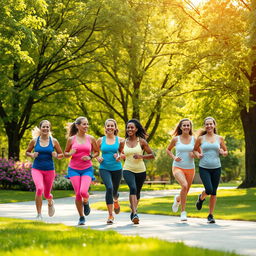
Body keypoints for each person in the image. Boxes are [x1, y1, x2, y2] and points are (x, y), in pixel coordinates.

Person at [64, 116, 99, 225]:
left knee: (84, 192)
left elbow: (97, 152)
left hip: (87, 169)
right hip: (73, 169)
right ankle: (81, 217)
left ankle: (86, 201)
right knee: (78, 194)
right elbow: (65, 153)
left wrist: (90, 157)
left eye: (87, 124)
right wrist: (70, 153)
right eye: (84, 124)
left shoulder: (91, 138)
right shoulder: (71, 139)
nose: (86, 126)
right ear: (78, 126)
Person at [26, 120, 63, 220]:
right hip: (37, 169)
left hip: (50, 170)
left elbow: (61, 154)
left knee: (47, 194)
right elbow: (27, 152)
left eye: (47, 127)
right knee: (39, 189)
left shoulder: (54, 141)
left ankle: (50, 201)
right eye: (44, 127)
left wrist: (56, 155)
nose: (45, 128)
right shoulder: (34, 141)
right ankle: (39, 214)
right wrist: (32, 154)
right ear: (40, 128)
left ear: (49, 128)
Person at [193, 117, 228, 224]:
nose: (209, 126)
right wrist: (198, 154)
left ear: (214, 125)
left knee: (214, 192)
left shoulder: (220, 138)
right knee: (208, 189)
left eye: (210, 124)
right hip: (204, 168)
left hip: (216, 168)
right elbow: (194, 150)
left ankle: (210, 215)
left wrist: (223, 152)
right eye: (207, 124)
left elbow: (226, 152)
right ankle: (201, 198)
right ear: (205, 126)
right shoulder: (201, 139)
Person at [121, 119, 155, 224]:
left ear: (136, 129)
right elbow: (120, 153)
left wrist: (141, 156)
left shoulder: (142, 142)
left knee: (137, 192)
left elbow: (152, 155)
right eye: (128, 127)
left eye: (132, 127)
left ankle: (133, 210)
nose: (129, 129)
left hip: (140, 170)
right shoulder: (123, 142)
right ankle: (135, 213)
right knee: (133, 188)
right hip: (127, 169)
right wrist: (120, 156)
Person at [166, 118, 195, 221]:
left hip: (190, 168)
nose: (186, 127)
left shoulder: (194, 139)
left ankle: (177, 199)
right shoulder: (176, 139)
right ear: (181, 127)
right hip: (178, 166)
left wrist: (194, 154)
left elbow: (198, 153)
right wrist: (174, 157)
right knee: (184, 185)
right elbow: (168, 150)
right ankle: (183, 212)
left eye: (188, 125)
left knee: (185, 191)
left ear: (190, 127)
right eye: (184, 125)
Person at [96, 119, 124, 224]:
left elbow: (124, 153)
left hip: (117, 168)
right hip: (104, 168)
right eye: (108, 126)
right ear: (105, 127)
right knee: (109, 188)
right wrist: (98, 158)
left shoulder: (120, 140)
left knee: (115, 192)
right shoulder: (100, 140)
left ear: (115, 128)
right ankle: (110, 215)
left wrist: (119, 156)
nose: (110, 127)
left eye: (112, 125)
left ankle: (116, 200)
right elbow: (94, 151)